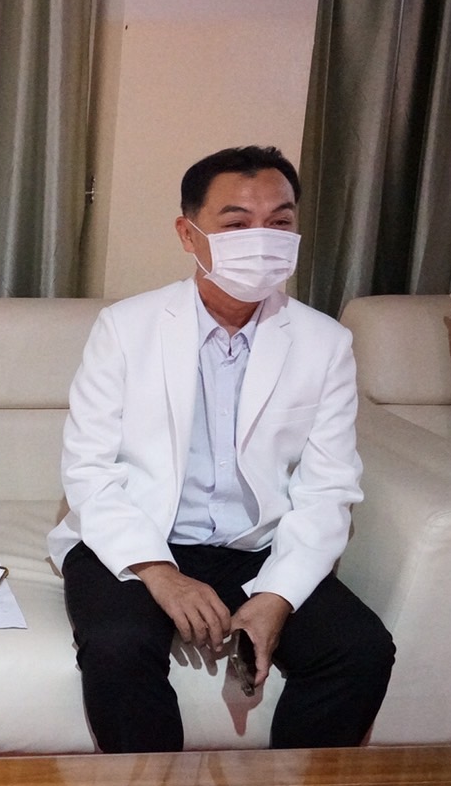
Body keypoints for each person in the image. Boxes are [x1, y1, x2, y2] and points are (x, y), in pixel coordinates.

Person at [48, 145, 395, 753]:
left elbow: (328, 487)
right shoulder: (126, 327)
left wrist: (277, 594)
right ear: (189, 234)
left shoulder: (324, 342)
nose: (262, 239)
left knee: (360, 650)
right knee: (117, 646)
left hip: (254, 546)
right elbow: (88, 470)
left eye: (280, 222)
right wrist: (161, 574)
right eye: (237, 224)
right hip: (142, 535)